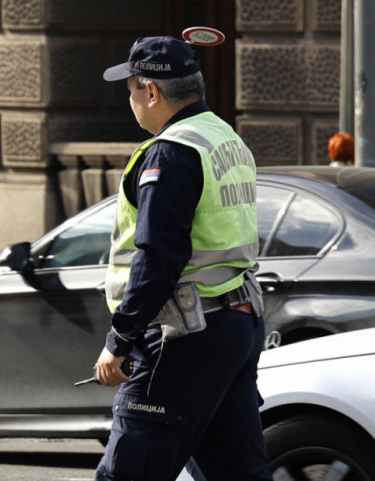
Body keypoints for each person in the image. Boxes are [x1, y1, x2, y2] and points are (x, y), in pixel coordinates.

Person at [93, 35, 273, 481]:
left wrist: (121, 338)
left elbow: (158, 257)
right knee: (236, 474)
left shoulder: (170, 153)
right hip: (236, 321)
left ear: (151, 92)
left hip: (183, 334)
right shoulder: (224, 138)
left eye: (131, 87)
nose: (129, 98)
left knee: (127, 473)